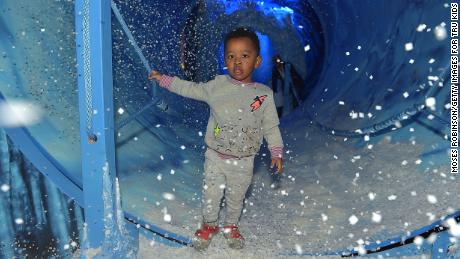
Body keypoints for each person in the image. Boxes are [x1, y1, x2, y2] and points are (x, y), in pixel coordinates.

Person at [148, 27, 284, 251]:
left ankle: (231, 225)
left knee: (236, 197)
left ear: (257, 61)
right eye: (231, 56)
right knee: (211, 194)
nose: (237, 62)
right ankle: (209, 225)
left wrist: (276, 152)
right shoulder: (216, 87)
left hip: (244, 160)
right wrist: (163, 79)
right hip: (216, 157)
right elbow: (189, 88)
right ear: (224, 59)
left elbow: (271, 126)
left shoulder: (263, 95)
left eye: (244, 56)